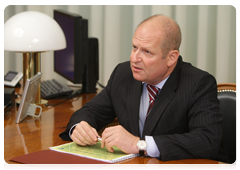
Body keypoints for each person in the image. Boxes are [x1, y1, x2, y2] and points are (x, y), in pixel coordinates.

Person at [59, 14, 228, 162]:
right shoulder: (123, 73)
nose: (134, 58)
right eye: (134, 47)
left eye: (147, 52)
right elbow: (91, 112)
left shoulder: (198, 83)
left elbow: (207, 141)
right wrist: (79, 127)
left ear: (171, 57)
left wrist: (138, 144)